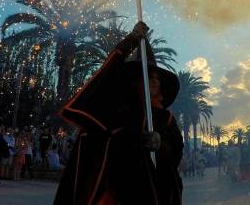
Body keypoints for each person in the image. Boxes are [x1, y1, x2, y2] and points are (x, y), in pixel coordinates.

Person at [54, 21, 183, 205]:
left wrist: (161, 144)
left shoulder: (166, 119)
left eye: (157, 78)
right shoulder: (118, 106)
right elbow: (109, 71)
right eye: (148, 76)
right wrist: (131, 40)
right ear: (134, 81)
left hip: (150, 191)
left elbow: (176, 151)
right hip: (113, 188)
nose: (154, 81)